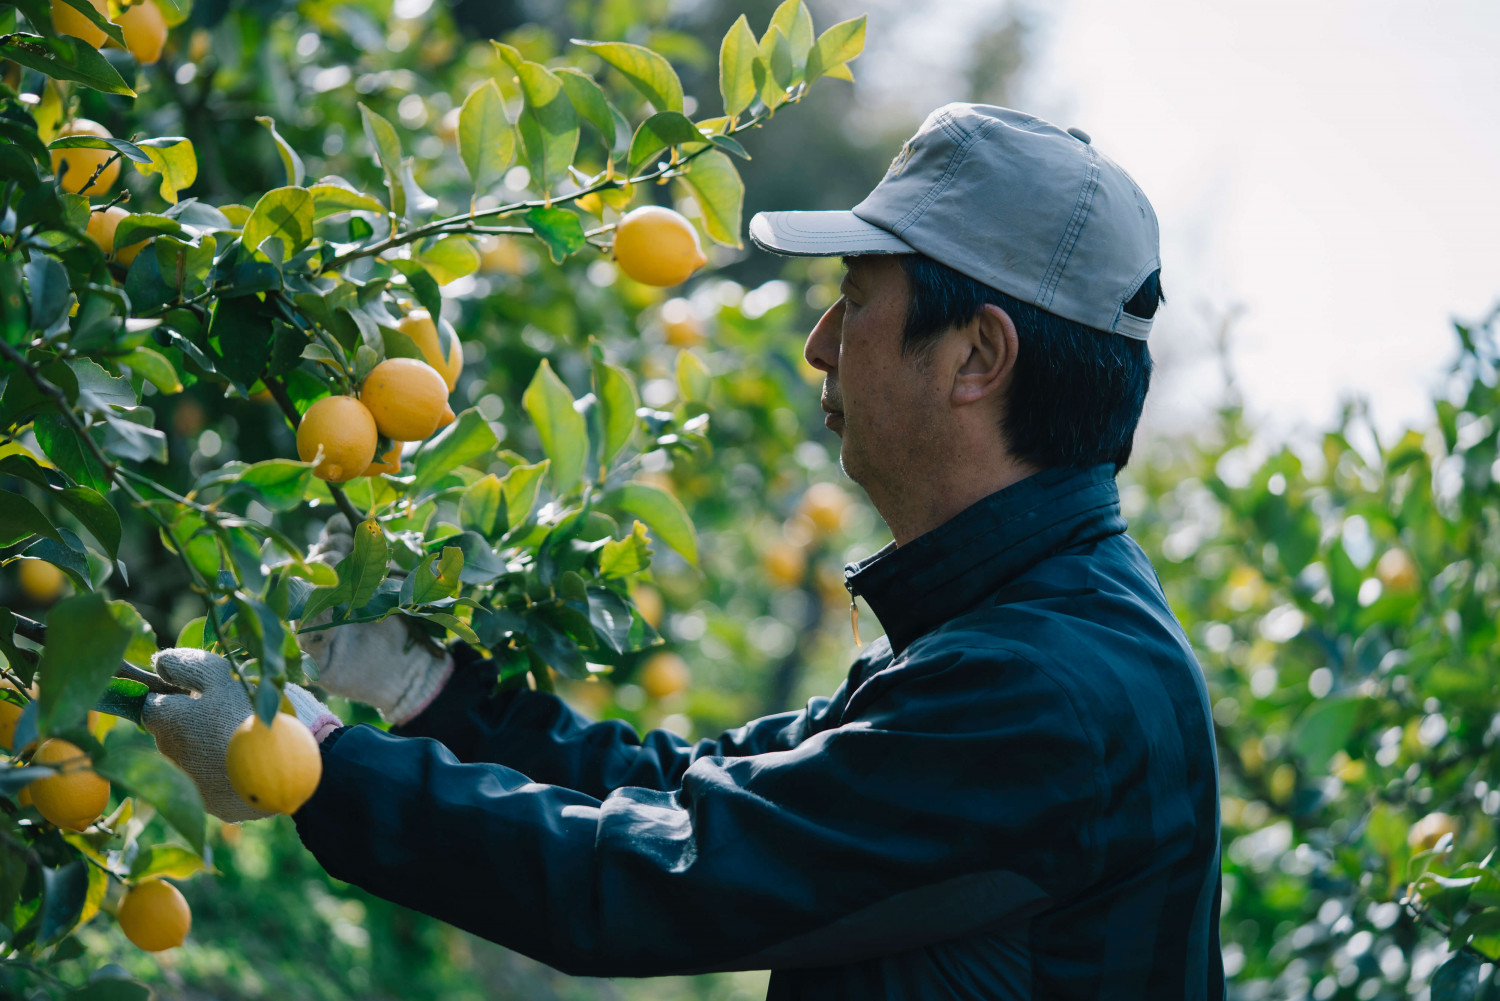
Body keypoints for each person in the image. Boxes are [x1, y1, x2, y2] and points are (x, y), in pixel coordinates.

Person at [141, 103, 1225, 1000]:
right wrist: (429, 692)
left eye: (853, 301)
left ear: (977, 354)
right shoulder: (1017, 629)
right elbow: (703, 793)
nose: (819, 344)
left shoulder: (1043, 689)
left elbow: (663, 874)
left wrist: (322, 763)